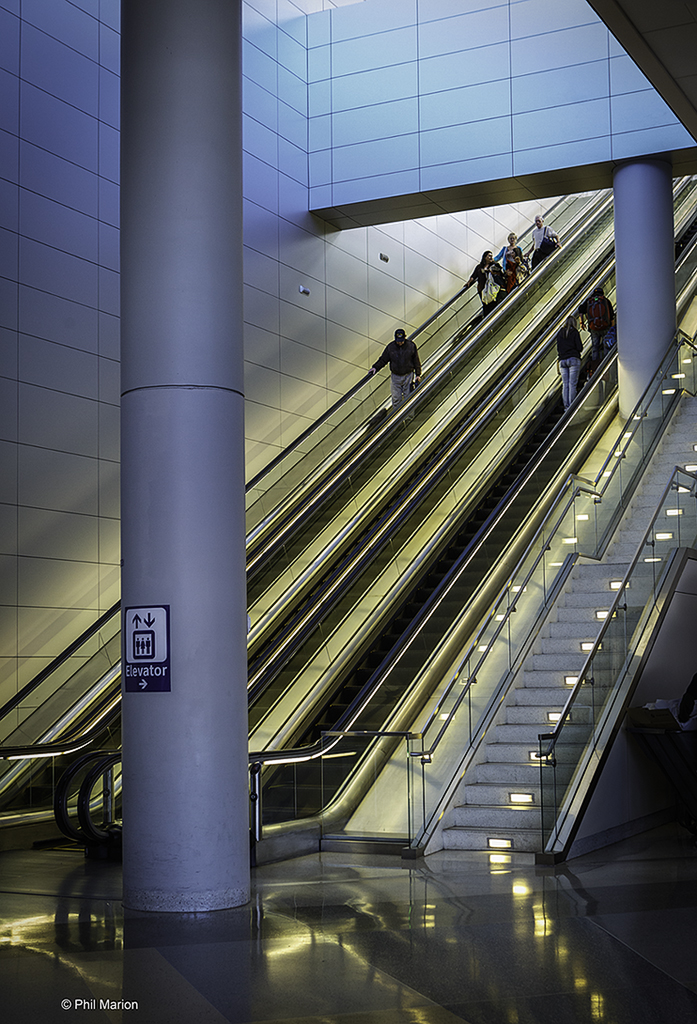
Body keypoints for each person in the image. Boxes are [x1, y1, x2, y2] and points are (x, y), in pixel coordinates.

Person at [370, 327, 422, 410]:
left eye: (401, 341)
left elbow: (416, 360)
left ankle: (409, 417)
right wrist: (375, 367)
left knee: (408, 397)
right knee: (396, 398)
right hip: (395, 377)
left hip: (408, 375)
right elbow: (383, 359)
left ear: (405, 338)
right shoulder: (391, 347)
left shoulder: (411, 346)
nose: (400, 343)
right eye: (398, 341)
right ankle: (397, 418)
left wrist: (418, 374)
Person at [579, 286, 615, 363]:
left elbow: (580, 310)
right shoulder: (605, 301)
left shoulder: (589, 301)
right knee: (606, 345)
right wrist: (612, 329)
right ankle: (606, 362)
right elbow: (612, 316)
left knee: (595, 346)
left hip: (593, 328)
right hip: (605, 327)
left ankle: (594, 363)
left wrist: (581, 323)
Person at [556, 315, 583, 410]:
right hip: (573, 359)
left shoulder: (560, 333)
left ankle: (566, 406)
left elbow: (558, 348)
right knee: (572, 384)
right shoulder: (574, 332)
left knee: (565, 384)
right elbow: (579, 347)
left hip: (562, 361)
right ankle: (572, 407)